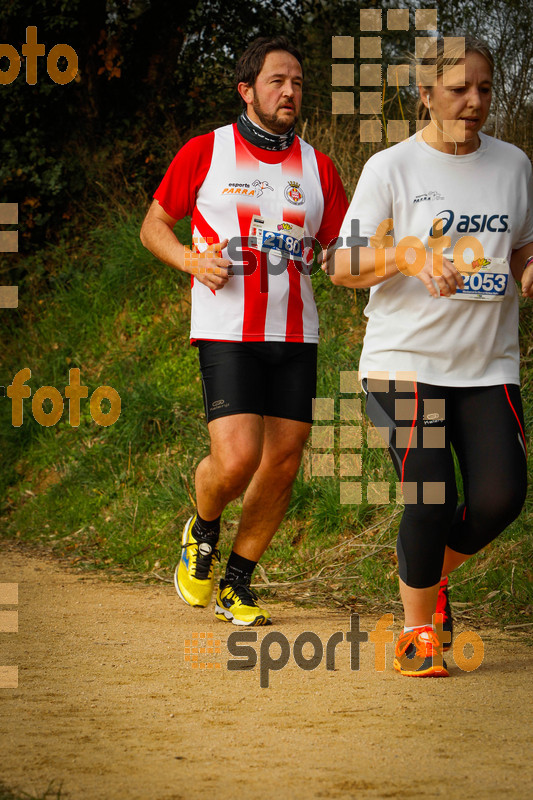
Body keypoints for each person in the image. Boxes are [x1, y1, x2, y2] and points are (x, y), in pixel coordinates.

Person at [325, 36, 533, 676]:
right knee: (432, 496)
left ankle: (426, 574)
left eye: (485, 90)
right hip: (403, 361)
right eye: (457, 89)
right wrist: (409, 255)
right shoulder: (391, 169)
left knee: (502, 498)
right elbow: (340, 263)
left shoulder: (515, 165)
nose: (474, 103)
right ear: (423, 93)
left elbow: (522, 245)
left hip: (487, 362)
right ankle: (417, 633)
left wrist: (530, 268)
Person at [140, 36, 348, 626]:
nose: (289, 91)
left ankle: (237, 581)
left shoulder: (319, 167)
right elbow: (154, 225)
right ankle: (202, 528)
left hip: (295, 335)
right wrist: (188, 260)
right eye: (277, 80)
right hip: (227, 327)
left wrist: (390, 259)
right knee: (236, 460)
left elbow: (337, 252)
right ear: (247, 89)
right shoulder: (206, 152)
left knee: (282, 462)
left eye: (298, 83)